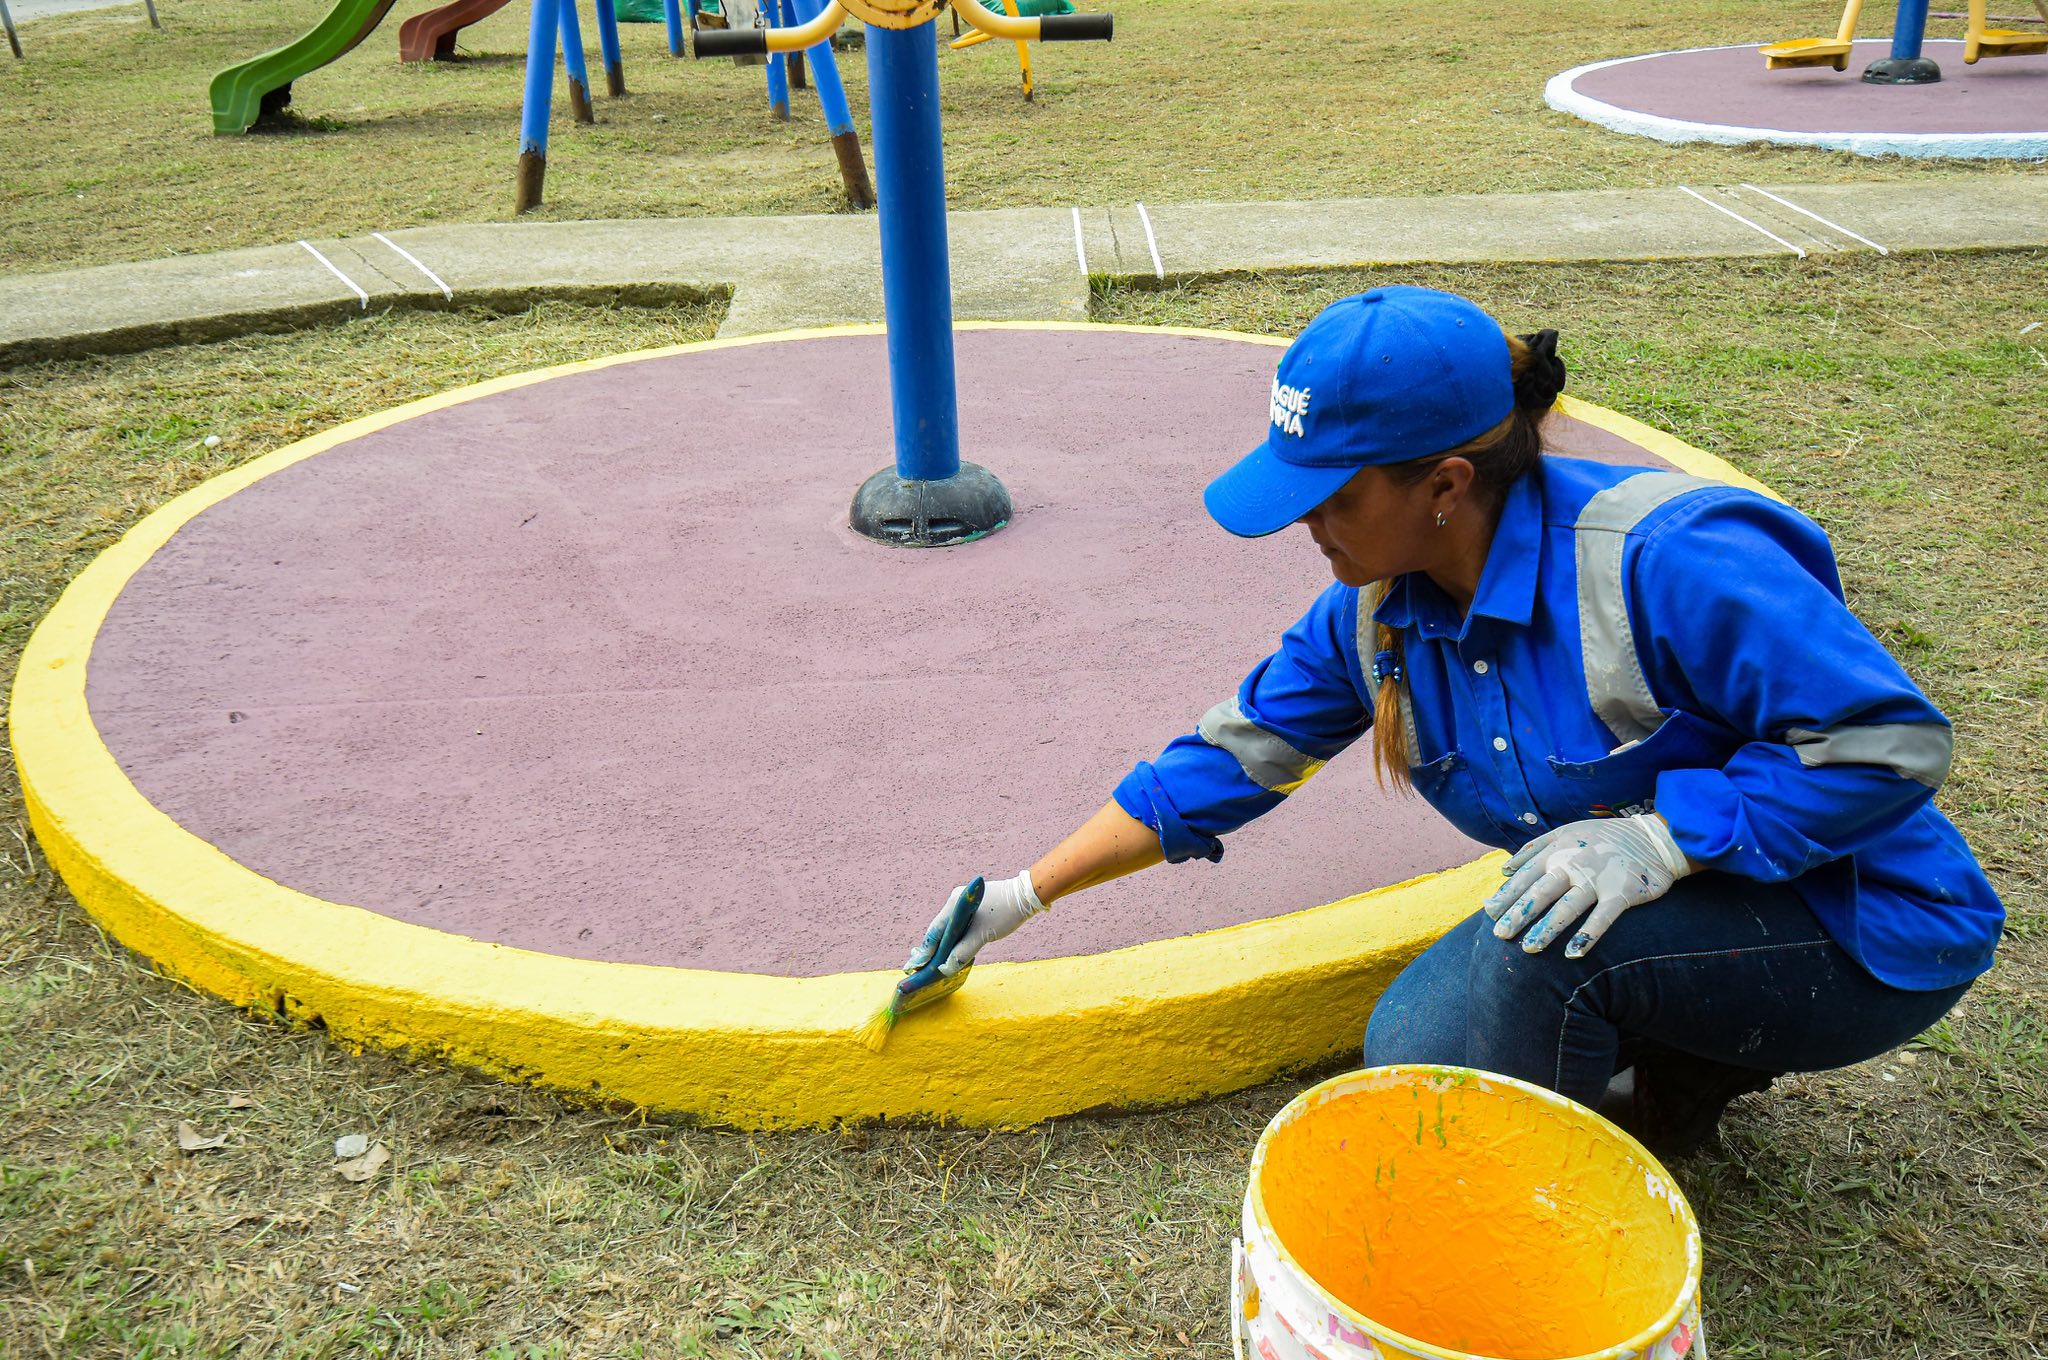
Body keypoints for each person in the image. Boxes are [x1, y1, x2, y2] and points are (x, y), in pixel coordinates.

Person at [903, 286, 2004, 1155]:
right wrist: (1023, 894)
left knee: (1538, 965)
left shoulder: (1660, 563)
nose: (1303, 522)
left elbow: (1889, 742)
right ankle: (1673, 1077)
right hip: (1665, 908)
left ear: (1443, 480)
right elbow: (1227, 760)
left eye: (1330, 494)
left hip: (1859, 922)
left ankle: (1516, 1256)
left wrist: (1662, 838)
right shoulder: (1373, 610)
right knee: (1411, 1048)